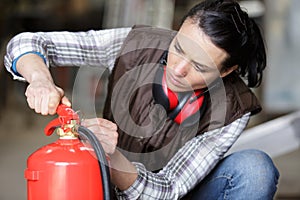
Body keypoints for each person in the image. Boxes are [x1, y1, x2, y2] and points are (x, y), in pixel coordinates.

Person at [4, 0, 279, 199]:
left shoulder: (234, 107)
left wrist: (111, 155)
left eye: (200, 67)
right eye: (179, 48)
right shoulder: (137, 44)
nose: (178, 69)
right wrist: (39, 78)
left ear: (226, 71)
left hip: (177, 195)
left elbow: (170, 189)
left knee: (254, 169)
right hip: (106, 190)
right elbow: (27, 43)